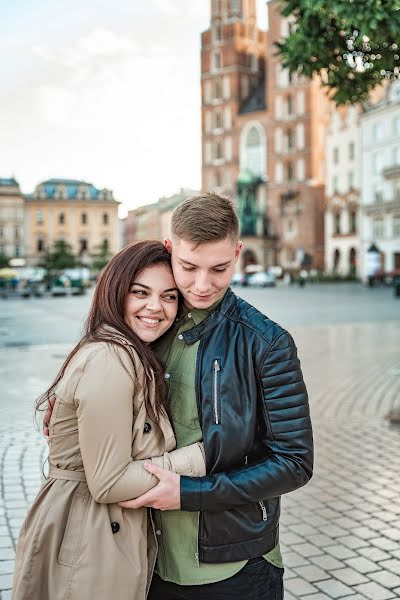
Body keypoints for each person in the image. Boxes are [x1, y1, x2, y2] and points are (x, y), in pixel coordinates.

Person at [119, 193, 314, 600]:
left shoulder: (267, 342)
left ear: (238, 253)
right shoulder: (148, 323)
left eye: (219, 268)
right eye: (188, 267)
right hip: (145, 557)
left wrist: (190, 495)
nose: (202, 285)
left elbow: (294, 462)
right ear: (169, 249)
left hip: (236, 566)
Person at [12, 241, 206, 600]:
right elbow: (110, 482)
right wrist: (199, 458)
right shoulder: (110, 359)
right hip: (87, 536)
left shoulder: (129, 353)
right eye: (140, 292)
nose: (155, 307)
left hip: (95, 529)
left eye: (169, 296)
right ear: (116, 291)